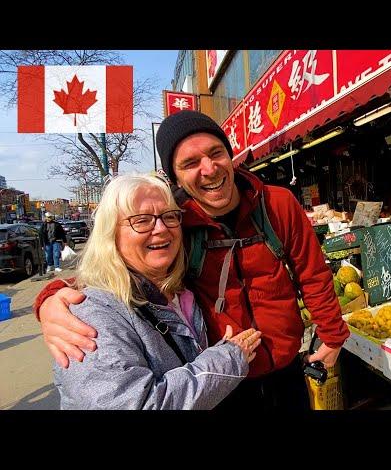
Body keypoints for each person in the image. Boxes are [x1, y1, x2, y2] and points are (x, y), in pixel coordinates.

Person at [35, 110, 350, 411]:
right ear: (176, 177)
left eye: (216, 153)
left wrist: (333, 336)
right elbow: (114, 268)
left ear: (230, 156)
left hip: (285, 367)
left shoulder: (277, 204)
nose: (209, 169)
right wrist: (51, 299)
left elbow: (313, 273)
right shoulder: (175, 222)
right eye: (190, 162)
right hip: (220, 381)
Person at [51, 173, 260, 409]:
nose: (160, 229)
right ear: (111, 234)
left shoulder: (180, 289)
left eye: (169, 216)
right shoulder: (90, 317)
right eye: (141, 220)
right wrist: (227, 360)